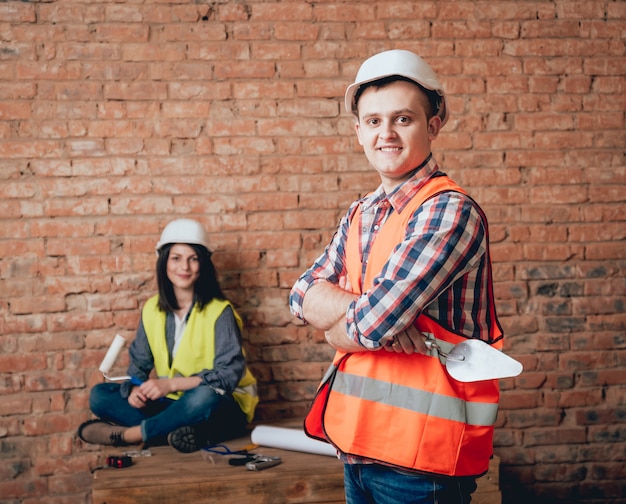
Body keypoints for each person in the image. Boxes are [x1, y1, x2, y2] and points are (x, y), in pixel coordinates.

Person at [289, 49, 504, 504]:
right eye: (372, 121)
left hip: (422, 460)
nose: (385, 133)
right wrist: (369, 310)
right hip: (357, 446)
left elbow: (370, 326)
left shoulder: (448, 211)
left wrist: (343, 326)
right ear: (358, 132)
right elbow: (300, 295)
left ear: (434, 124)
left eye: (402, 119)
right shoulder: (360, 214)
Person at [78, 218, 258, 453]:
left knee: (203, 397)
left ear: (203, 264)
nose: (185, 267)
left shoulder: (219, 311)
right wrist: (134, 390)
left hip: (223, 404)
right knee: (100, 396)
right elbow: (138, 366)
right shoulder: (152, 309)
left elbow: (227, 376)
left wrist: (170, 384)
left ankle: (136, 434)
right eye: (176, 258)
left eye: (193, 259)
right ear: (164, 262)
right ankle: (179, 432)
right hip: (174, 404)